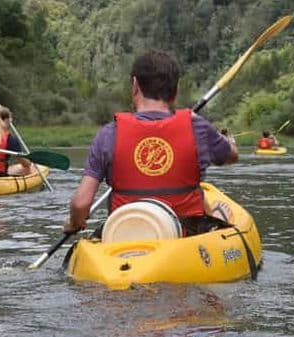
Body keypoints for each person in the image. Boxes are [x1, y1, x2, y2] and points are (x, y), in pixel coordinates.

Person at [64, 50, 239, 236]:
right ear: (176, 90)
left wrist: (75, 223)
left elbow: (81, 203)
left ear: (135, 86)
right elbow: (231, 156)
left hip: (125, 238)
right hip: (186, 239)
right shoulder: (198, 127)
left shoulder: (108, 134)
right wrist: (228, 141)